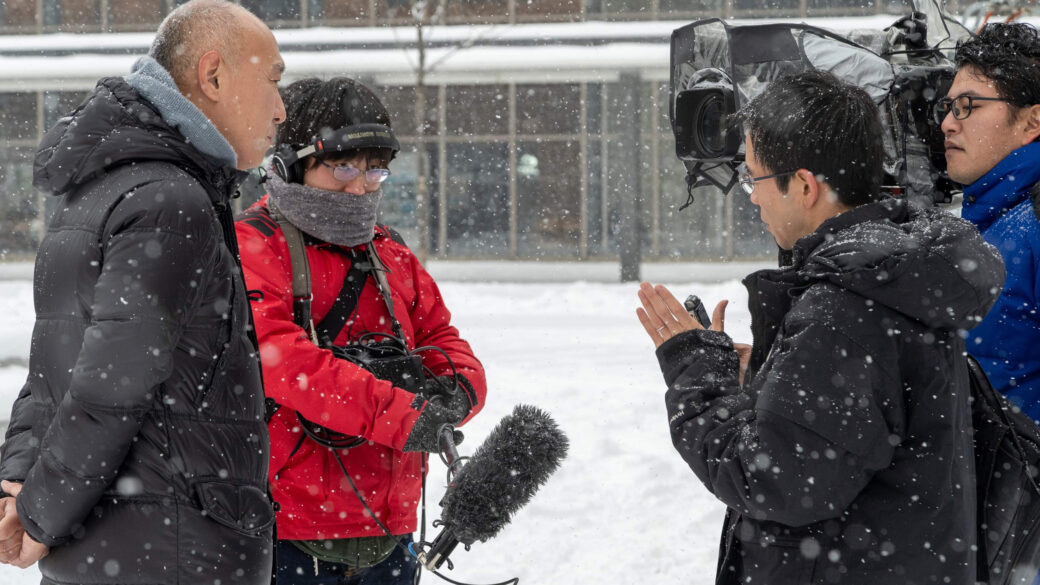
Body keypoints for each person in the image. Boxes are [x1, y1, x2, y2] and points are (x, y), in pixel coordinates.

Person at [637, 70, 1004, 584]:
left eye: (755, 178)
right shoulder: (890, 274)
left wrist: (697, 375)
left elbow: (771, 481)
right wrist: (766, 383)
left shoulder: (845, 306)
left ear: (805, 186)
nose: (750, 196)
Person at [0, 1, 286, 583]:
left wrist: (21, 481)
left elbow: (50, 366)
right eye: (274, 81)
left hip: (112, 545)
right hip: (171, 548)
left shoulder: (101, 189)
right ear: (213, 76)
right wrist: (37, 517)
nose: (281, 109)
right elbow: (110, 385)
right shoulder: (170, 199)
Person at [235, 77, 487, 584]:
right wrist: (402, 415)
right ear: (290, 165)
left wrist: (458, 390)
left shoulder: (390, 250)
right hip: (286, 534)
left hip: (391, 532)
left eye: (375, 171)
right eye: (343, 166)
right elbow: (281, 360)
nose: (360, 186)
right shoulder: (253, 245)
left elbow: (441, 336)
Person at [939, 22, 1040, 421]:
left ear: (1031, 123)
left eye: (969, 106)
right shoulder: (986, 226)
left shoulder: (1032, 225)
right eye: (948, 107)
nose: (948, 123)